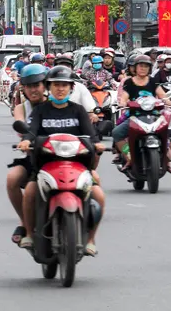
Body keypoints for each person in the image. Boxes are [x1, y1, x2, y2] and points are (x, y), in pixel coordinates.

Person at [16, 65, 105, 256]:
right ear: (49, 87)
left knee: (99, 194)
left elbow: (91, 134)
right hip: (46, 165)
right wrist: (26, 141)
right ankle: (29, 234)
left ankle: (90, 239)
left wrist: (97, 144)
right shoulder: (40, 111)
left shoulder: (79, 110)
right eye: (56, 85)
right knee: (30, 190)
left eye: (64, 85)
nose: (60, 89)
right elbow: (32, 131)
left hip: (77, 165)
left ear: (71, 88)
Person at [112, 55, 171, 173]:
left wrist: (167, 100)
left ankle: (166, 159)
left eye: (146, 66)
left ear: (149, 68)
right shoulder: (129, 82)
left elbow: (162, 95)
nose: (143, 68)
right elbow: (124, 98)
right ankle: (128, 156)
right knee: (117, 132)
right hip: (135, 116)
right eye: (140, 66)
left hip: (154, 115)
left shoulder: (153, 81)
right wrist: (123, 103)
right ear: (135, 68)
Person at [7, 63, 48, 244]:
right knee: (12, 179)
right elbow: (21, 124)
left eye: (37, 85)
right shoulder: (21, 108)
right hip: (34, 156)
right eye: (29, 86)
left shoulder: (56, 104)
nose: (33, 90)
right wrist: (25, 140)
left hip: (61, 155)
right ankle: (24, 221)